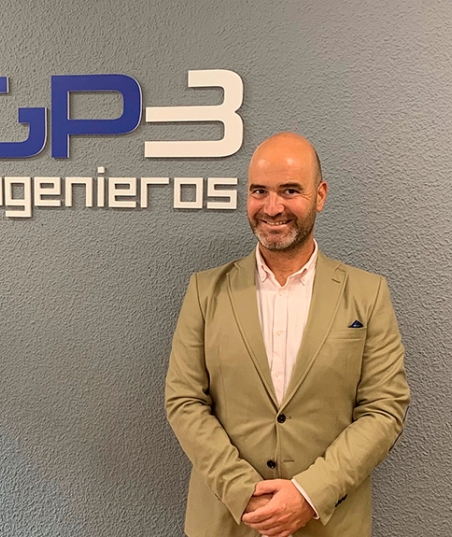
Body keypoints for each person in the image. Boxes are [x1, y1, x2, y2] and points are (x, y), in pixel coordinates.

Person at [164, 132, 409, 537]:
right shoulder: (205, 291)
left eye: (290, 190)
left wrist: (310, 495)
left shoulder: (367, 294)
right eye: (259, 191)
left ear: (320, 195)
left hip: (328, 524)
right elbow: (184, 401)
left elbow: (384, 409)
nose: (272, 207)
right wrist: (244, 492)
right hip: (228, 522)